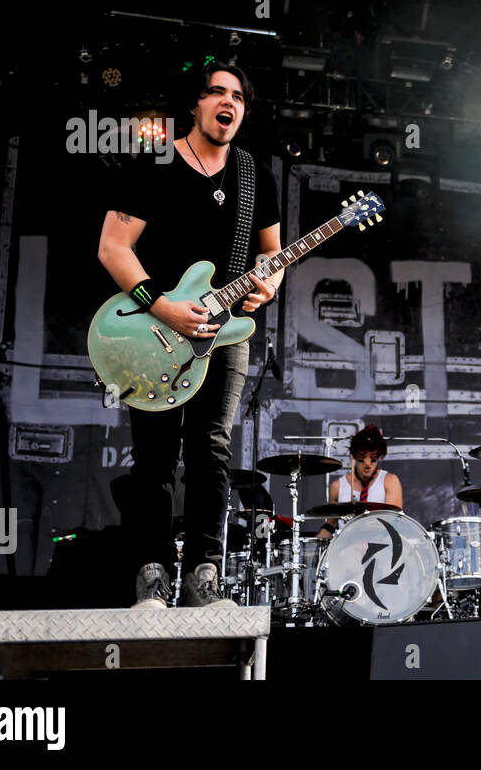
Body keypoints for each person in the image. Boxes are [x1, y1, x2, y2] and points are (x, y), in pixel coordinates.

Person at [97, 63, 282, 607]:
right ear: (196, 105)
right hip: (154, 329)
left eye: (238, 98)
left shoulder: (253, 176)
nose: (229, 103)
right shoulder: (155, 163)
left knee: (211, 451)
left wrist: (267, 286)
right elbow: (113, 247)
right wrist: (161, 305)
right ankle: (150, 576)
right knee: (154, 456)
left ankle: (205, 574)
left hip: (225, 336)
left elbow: (272, 256)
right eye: (218, 93)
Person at [316, 426, 402, 539]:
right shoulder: (338, 486)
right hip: (347, 546)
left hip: (380, 544)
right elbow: (332, 524)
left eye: (373, 458)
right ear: (355, 456)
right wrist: (313, 548)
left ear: (379, 456)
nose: (367, 463)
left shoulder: (389, 481)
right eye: (362, 457)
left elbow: (393, 520)